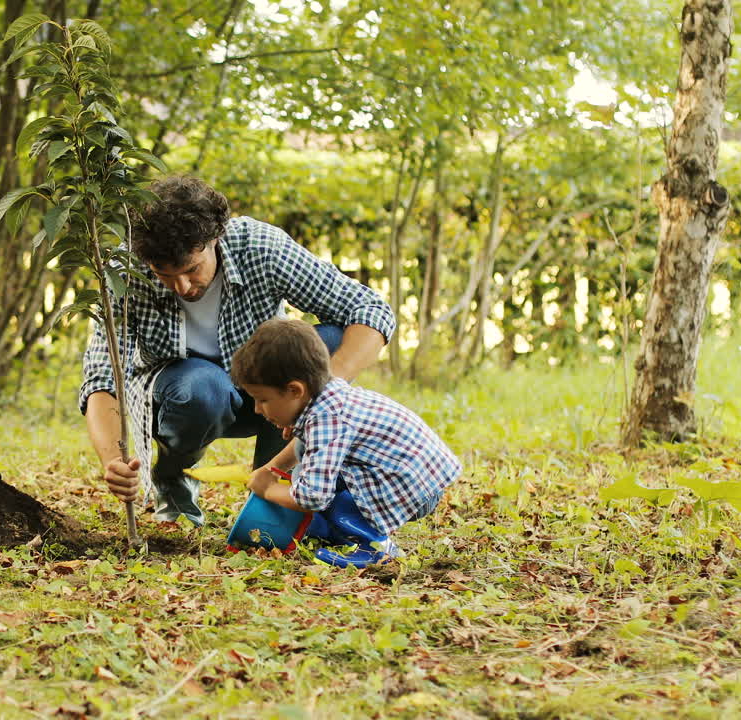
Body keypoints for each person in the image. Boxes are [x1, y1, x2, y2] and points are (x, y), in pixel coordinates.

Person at [80, 175, 396, 526]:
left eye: (191, 270)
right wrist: (113, 459)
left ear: (215, 237)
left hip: (262, 391)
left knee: (328, 343)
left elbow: (370, 310)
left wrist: (326, 394)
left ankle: (275, 491)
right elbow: (103, 375)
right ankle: (174, 479)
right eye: (164, 275)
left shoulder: (260, 247)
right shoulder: (125, 271)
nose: (182, 287)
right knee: (204, 387)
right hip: (183, 397)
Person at [230, 317, 461, 564]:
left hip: (412, 486)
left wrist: (268, 489)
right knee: (305, 469)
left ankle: (376, 547)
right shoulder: (326, 395)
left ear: (295, 391)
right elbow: (303, 447)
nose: (256, 409)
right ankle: (330, 530)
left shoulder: (326, 419)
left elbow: (314, 497)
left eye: (263, 399)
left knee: (324, 495)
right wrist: (270, 469)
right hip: (414, 474)